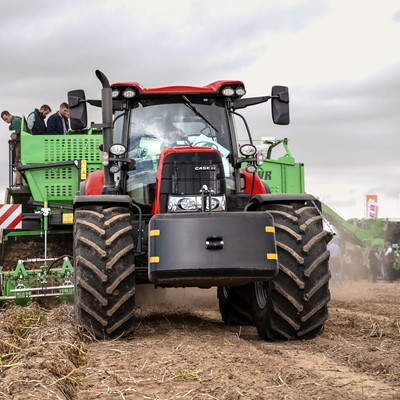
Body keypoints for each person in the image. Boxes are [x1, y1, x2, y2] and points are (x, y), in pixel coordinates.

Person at [1, 110, 22, 185]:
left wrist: (11, 141)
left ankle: (18, 182)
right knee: (18, 162)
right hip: (21, 143)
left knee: (18, 162)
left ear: (9, 115)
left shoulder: (15, 121)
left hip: (19, 144)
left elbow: (14, 136)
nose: (6, 121)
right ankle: (18, 182)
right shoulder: (17, 119)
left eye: (6, 119)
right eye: (4, 120)